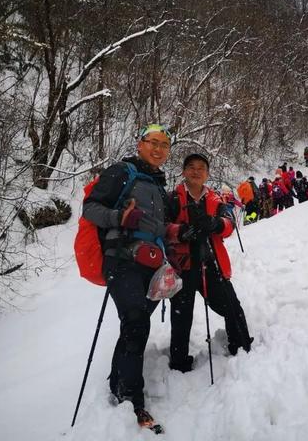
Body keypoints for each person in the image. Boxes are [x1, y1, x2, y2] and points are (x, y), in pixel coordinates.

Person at [81, 123, 172, 427]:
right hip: (121, 259)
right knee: (135, 321)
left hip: (151, 263)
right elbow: (90, 207)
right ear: (140, 144)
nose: (158, 149)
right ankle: (133, 399)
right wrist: (117, 217)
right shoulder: (122, 172)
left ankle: (118, 379)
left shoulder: (159, 184)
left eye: (164, 145)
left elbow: (158, 227)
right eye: (153, 142)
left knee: (134, 325)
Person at [166, 153, 253, 372]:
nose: (196, 171)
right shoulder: (172, 199)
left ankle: (241, 345)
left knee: (230, 305)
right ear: (184, 171)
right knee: (181, 317)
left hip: (210, 264)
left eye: (201, 168)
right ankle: (179, 363)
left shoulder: (215, 199)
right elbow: (161, 228)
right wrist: (181, 232)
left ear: (207, 173)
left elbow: (229, 223)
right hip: (181, 267)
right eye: (191, 167)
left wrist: (215, 224)